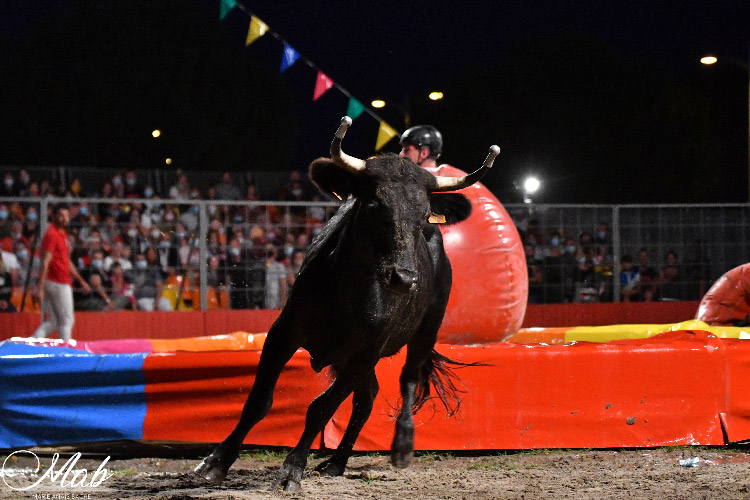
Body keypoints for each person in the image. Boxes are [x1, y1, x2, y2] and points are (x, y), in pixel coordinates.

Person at [32, 204, 90, 341]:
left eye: (67, 215)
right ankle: (65, 352)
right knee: (67, 321)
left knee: (54, 321)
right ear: (54, 216)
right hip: (58, 282)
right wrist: (39, 288)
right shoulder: (52, 234)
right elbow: (45, 261)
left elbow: (66, 261)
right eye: (61, 215)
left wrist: (80, 280)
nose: (65, 219)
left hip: (53, 281)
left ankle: (32, 343)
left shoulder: (60, 233)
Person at [263, 245, 288, 309]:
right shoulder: (257, 265)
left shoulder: (279, 267)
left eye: (271, 250)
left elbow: (283, 285)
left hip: (274, 301)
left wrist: (283, 301)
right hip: (261, 301)